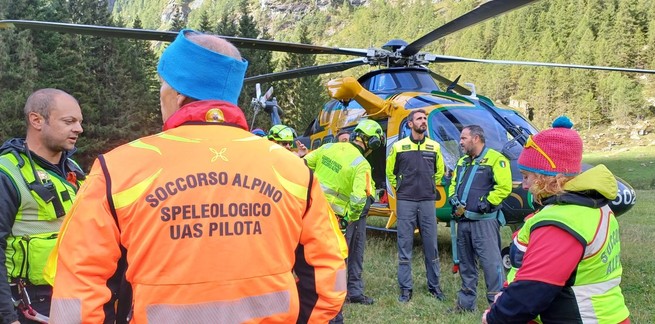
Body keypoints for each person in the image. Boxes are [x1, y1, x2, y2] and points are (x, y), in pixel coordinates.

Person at [48, 30, 347, 324]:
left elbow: (79, 282)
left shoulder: (117, 170)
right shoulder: (293, 169)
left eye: (162, 87)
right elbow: (328, 274)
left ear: (177, 97)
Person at [483, 116, 630, 323]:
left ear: (548, 177)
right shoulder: (594, 206)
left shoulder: (560, 223)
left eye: (527, 176)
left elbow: (532, 291)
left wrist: (495, 317)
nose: (524, 185)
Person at [0, 88, 84, 324]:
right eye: (69, 121)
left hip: (73, 296)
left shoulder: (74, 170)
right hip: (26, 305)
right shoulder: (6, 172)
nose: (79, 128)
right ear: (36, 120)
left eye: (79, 121)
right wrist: (7, 317)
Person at [305, 119, 384, 323]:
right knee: (336, 265)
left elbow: (304, 164)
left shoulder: (328, 147)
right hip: (338, 221)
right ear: (372, 143)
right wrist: (350, 218)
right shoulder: (361, 164)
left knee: (312, 260)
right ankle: (334, 312)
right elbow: (359, 199)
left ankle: (311, 303)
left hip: (314, 215)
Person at [447, 125, 511, 312]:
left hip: (484, 223)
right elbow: (453, 183)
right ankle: (466, 305)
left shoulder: (496, 159)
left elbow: (504, 187)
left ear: (476, 138)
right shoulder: (462, 162)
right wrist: (453, 198)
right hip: (463, 222)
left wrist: (488, 202)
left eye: (463, 138)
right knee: (466, 264)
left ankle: (497, 307)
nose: (460, 142)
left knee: (491, 264)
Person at [386, 109, 445, 302]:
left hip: (428, 200)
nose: (423, 121)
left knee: (431, 245)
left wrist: (429, 186)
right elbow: (390, 172)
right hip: (406, 201)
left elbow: (439, 172)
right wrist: (401, 188)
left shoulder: (434, 147)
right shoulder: (399, 147)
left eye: (425, 118)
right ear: (410, 124)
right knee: (405, 245)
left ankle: (434, 287)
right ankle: (405, 289)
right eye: (419, 119)